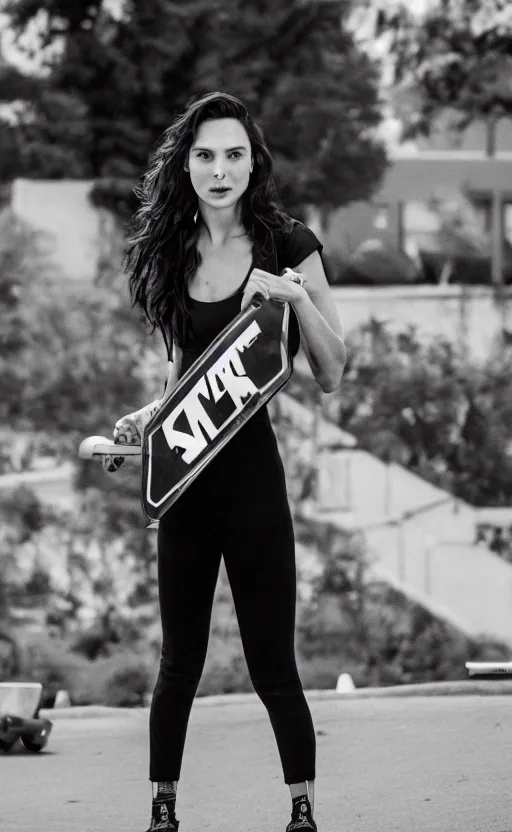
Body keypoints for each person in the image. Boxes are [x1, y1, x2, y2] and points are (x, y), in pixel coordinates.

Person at [118, 91, 346, 832]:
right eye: (206, 155)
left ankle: (302, 811)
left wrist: (291, 296)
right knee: (178, 663)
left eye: (234, 154)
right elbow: (185, 379)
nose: (221, 170)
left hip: (253, 483)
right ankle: (162, 812)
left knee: (272, 664)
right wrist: (148, 422)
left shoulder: (289, 243)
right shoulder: (174, 249)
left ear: (255, 161)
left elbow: (334, 369)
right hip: (186, 484)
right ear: (187, 165)